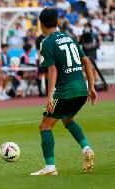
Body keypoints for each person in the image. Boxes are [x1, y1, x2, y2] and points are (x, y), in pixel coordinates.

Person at [30, 8, 97, 176]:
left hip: (66, 90)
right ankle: (86, 149)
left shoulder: (46, 42)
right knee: (68, 119)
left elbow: (52, 70)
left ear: (41, 24)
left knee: (45, 126)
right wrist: (91, 87)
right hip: (81, 89)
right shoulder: (69, 38)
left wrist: (50, 95)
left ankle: (50, 167)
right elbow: (87, 62)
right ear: (57, 22)